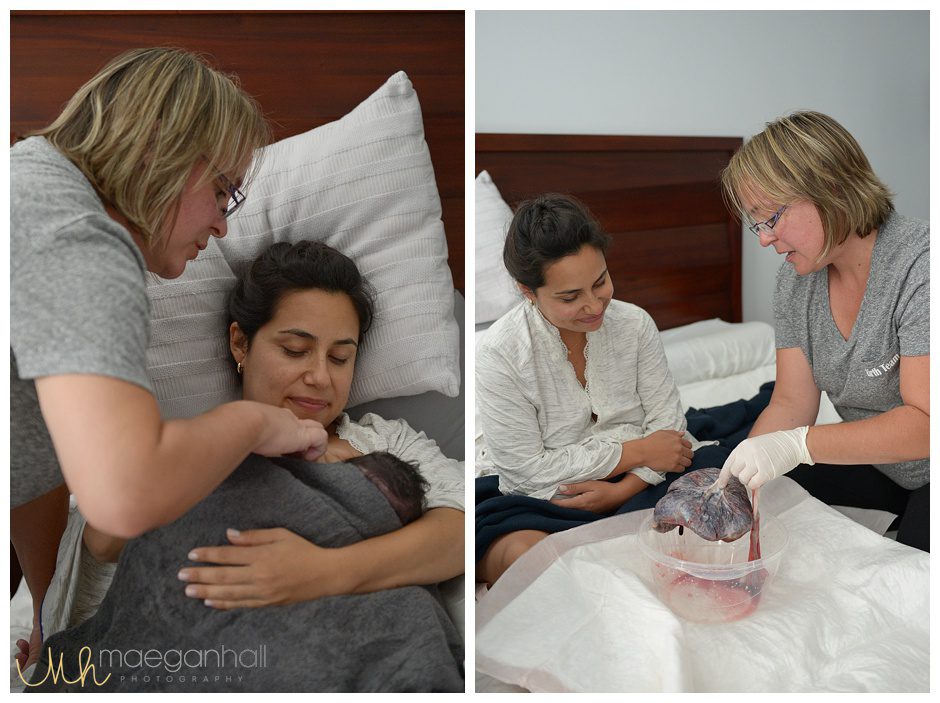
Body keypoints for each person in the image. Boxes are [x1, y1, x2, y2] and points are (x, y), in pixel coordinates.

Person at [10, 47, 329, 671]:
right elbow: (125, 492)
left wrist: (51, 615)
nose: (223, 225)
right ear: (161, 147)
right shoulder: (82, 242)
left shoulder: (37, 187)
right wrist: (256, 424)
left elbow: (34, 443)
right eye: (223, 191)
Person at [19, 240, 463, 658]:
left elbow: (459, 529)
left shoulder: (386, 442)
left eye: (339, 358)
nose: (320, 377)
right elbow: (102, 544)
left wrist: (320, 572)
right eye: (295, 350)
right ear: (240, 343)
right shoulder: (187, 444)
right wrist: (243, 435)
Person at [475, 194, 725, 585]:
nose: (594, 306)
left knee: (721, 477)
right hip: (551, 497)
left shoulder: (635, 325)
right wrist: (639, 451)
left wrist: (623, 489)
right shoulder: (498, 353)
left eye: (600, 282)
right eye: (570, 297)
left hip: (643, 481)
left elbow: (669, 431)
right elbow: (527, 472)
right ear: (528, 291)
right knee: (528, 557)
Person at [715, 111, 929, 552]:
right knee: (724, 472)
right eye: (756, 223)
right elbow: (791, 402)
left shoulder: (921, 265)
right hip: (886, 468)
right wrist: (743, 479)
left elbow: (927, 424)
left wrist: (798, 445)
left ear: (830, 189)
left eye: (770, 217)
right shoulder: (795, 282)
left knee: (915, 570)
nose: (764, 239)